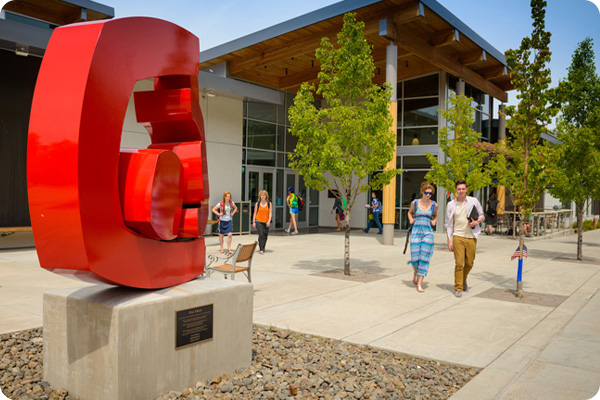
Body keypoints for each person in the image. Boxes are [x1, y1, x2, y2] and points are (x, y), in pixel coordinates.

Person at [445, 180, 484, 297]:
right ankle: (458, 288)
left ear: (466, 189)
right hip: (458, 236)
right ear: (455, 190)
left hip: (471, 236)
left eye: (463, 189)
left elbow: (482, 215)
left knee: (470, 263)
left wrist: (476, 222)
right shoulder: (451, 204)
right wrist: (449, 241)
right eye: (459, 189)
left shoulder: (473, 201)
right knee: (459, 263)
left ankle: (463, 278)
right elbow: (448, 224)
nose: (461, 191)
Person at [407, 182, 438, 293]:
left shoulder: (434, 204)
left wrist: (434, 220)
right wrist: (411, 219)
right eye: (426, 193)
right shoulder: (415, 203)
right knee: (415, 259)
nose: (428, 195)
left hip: (428, 233)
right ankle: (416, 271)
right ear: (422, 192)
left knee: (424, 258)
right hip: (416, 232)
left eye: (430, 193)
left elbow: (435, 215)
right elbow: (410, 212)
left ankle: (419, 284)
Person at [252, 190, 272, 255]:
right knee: (261, 234)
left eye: (264, 195)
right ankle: (261, 249)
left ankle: (263, 246)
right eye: (261, 195)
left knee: (265, 236)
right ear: (260, 197)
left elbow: (270, 213)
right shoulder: (257, 204)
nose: (263, 197)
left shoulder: (269, 204)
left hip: (266, 221)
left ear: (266, 196)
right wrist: (254, 221)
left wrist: (269, 221)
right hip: (258, 220)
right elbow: (255, 213)